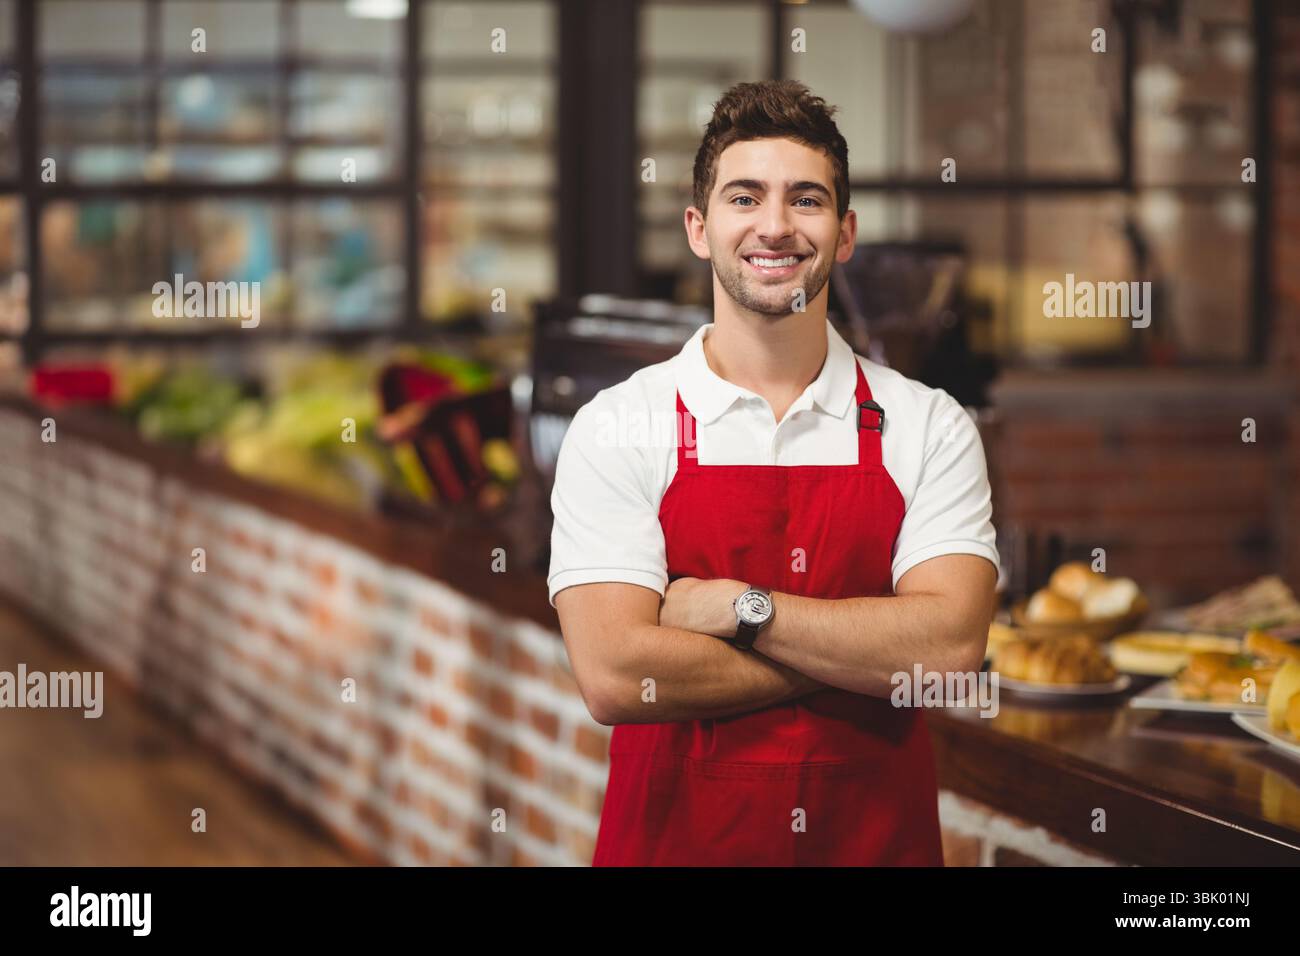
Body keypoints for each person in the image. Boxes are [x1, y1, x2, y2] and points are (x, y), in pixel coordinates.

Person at [548, 79, 999, 866]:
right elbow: (617, 676)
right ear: (699, 227)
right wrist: (863, 658)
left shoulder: (928, 425)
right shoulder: (619, 424)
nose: (775, 226)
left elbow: (948, 653)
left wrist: (741, 609)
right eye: (745, 197)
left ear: (846, 232)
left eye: (807, 201)